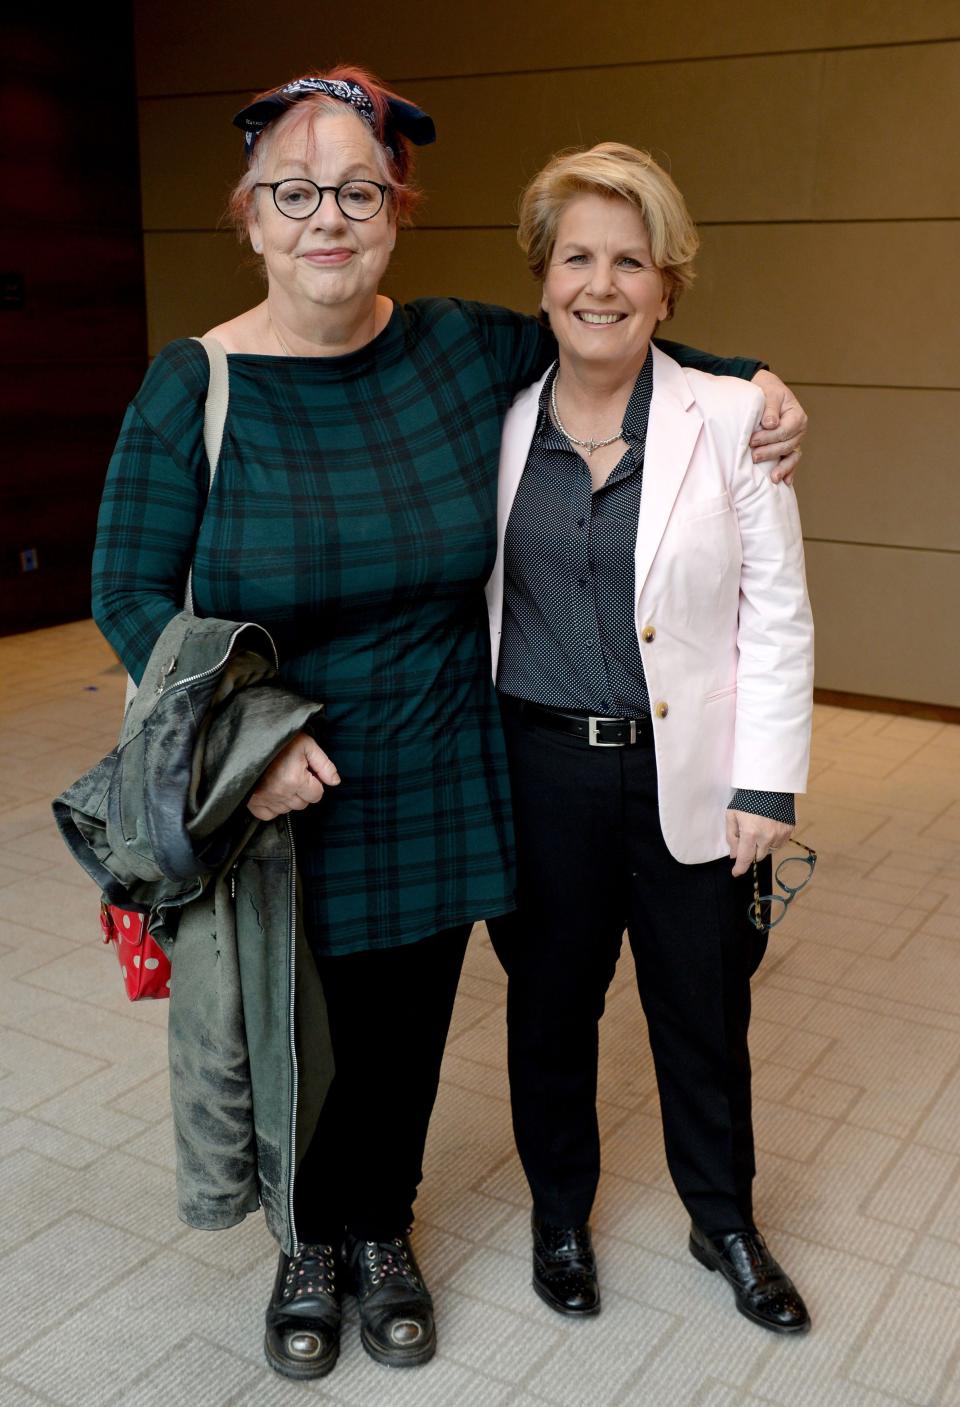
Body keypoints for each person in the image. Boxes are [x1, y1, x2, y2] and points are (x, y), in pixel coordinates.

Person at [91, 69, 808, 1381]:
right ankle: (309, 1240)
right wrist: (240, 739)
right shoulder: (191, 385)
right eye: (296, 191)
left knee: (408, 1024)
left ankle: (383, 1229)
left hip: (437, 767)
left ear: (396, 212)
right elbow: (126, 589)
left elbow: (605, 329)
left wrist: (748, 378)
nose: (329, 217)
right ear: (249, 215)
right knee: (297, 1026)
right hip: (278, 787)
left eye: (360, 190)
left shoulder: (455, 348)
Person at [486, 143, 815, 1335]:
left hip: (691, 773)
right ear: (542, 277)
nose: (602, 283)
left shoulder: (735, 420)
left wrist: (766, 787)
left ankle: (722, 1215)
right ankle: (560, 1213)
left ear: (669, 286)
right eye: (578, 256)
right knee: (548, 1010)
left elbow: (776, 616)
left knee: (702, 1007)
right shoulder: (496, 421)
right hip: (538, 768)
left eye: (632, 260)